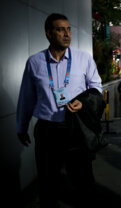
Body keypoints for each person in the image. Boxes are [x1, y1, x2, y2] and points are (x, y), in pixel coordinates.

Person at [16, 13, 103, 208]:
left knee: (84, 184)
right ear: (48, 33)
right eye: (60, 29)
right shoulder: (34, 62)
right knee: (48, 185)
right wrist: (21, 127)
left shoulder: (83, 59)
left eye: (69, 29)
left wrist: (83, 103)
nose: (66, 34)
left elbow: (97, 87)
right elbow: (26, 98)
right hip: (47, 131)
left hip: (75, 129)